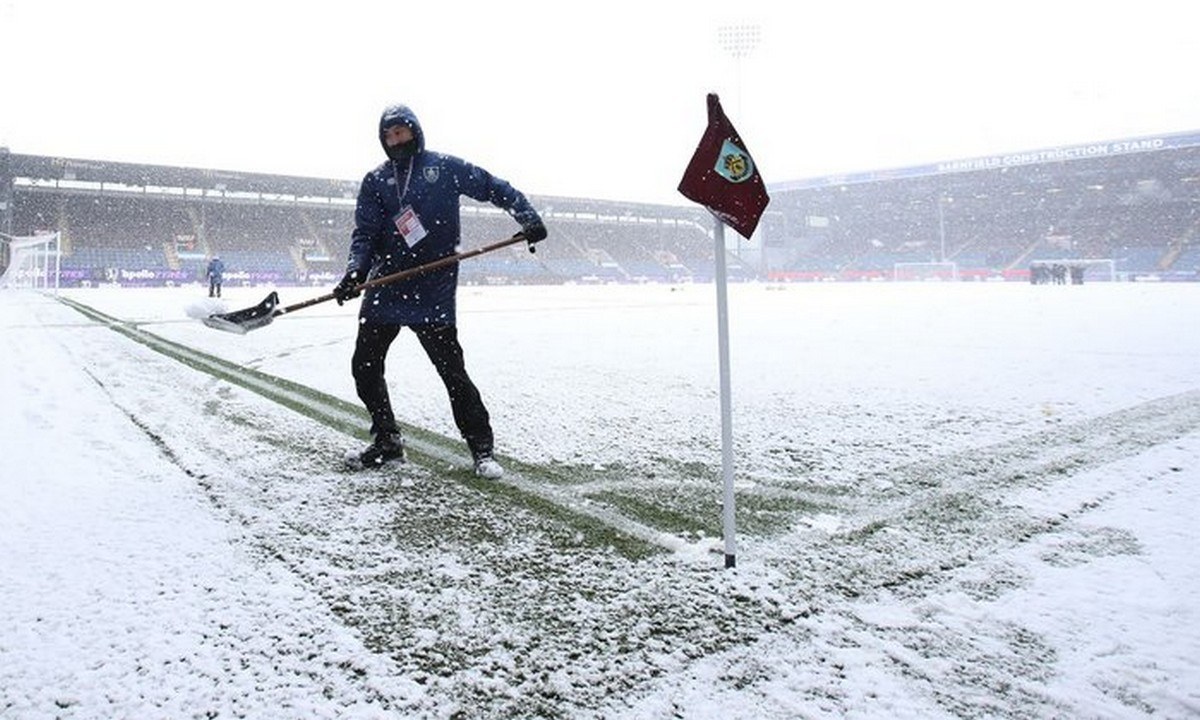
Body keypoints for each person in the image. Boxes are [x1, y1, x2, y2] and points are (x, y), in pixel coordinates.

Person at [334, 103, 547, 478]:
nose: (396, 139)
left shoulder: (444, 168)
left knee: (452, 372)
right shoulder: (376, 181)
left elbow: (492, 185)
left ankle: (482, 449)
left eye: (402, 131)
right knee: (364, 368)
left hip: (431, 289)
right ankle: (387, 442)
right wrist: (355, 272)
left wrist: (526, 215)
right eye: (389, 135)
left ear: (415, 131)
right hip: (386, 287)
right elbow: (364, 234)